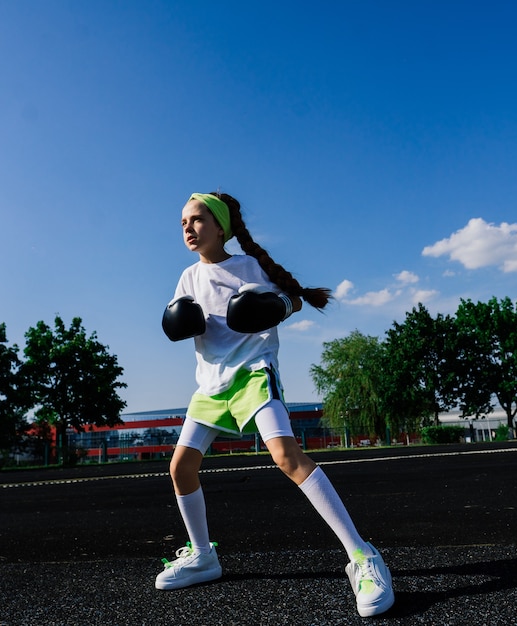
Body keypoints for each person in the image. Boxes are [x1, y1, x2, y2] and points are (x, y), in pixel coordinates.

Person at [156, 191, 394, 618]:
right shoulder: (188, 277)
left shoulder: (248, 267)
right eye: (183, 224)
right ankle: (202, 556)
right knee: (180, 468)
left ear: (221, 227)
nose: (188, 229)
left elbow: (293, 299)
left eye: (196, 220)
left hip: (252, 373)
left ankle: (363, 557)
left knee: (286, 457)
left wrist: (277, 305)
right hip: (210, 385)